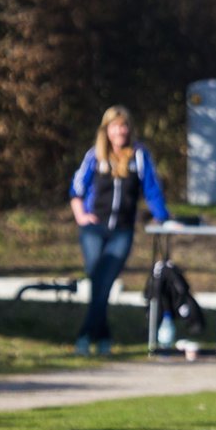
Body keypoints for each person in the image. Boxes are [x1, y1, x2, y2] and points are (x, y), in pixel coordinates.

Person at [69, 105, 170, 357]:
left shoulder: (139, 156)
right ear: (107, 130)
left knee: (104, 283)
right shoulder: (95, 156)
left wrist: (163, 217)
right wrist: (81, 215)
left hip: (122, 231)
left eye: (124, 126)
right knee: (97, 281)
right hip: (94, 229)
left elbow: (152, 190)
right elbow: (76, 189)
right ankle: (102, 338)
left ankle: (85, 336)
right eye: (115, 126)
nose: (120, 130)